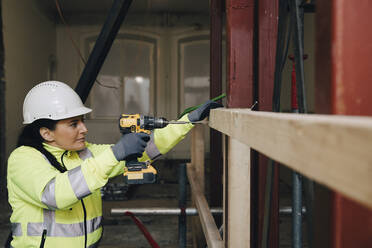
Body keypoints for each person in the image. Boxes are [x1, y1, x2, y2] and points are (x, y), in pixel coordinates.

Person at [6, 81, 222, 248]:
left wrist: (186, 122)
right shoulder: (23, 159)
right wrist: (116, 152)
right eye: (74, 124)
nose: (84, 129)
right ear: (46, 132)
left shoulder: (83, 153)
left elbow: (145, 150)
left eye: (82, 121)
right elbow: (54, 194)